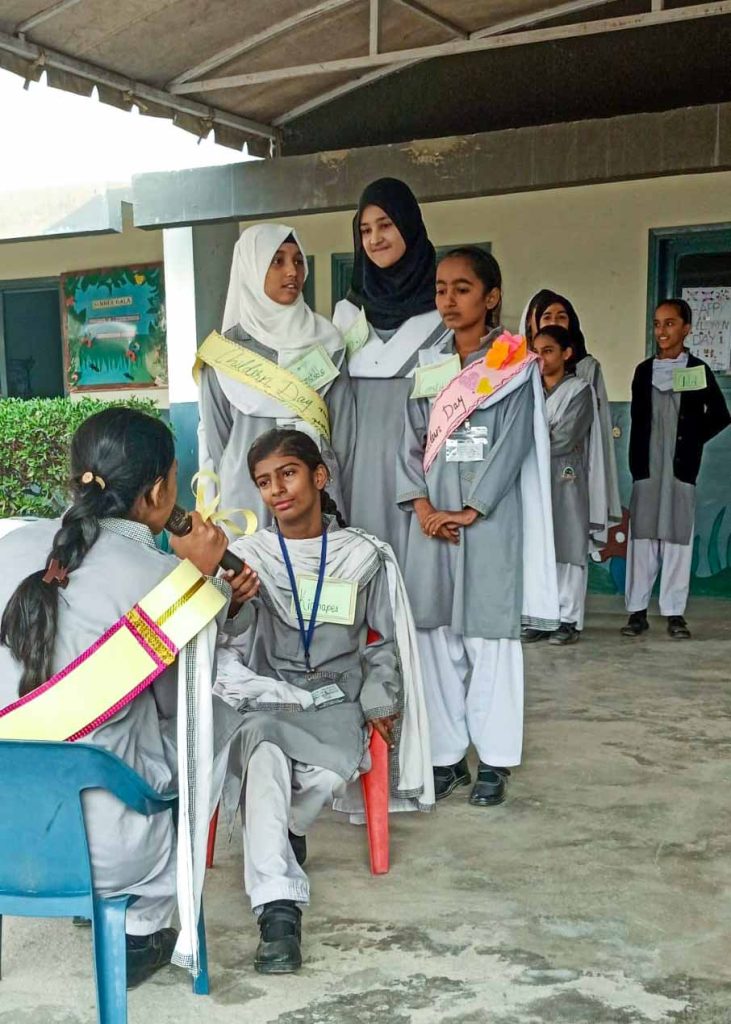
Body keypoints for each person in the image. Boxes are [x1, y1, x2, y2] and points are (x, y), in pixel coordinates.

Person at [0, 408, 238, 988]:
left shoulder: (8, 544)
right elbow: (182, 710)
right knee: (222, 720)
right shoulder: (165, 582)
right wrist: (202, 586)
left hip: (7, 827)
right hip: (105, 853)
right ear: (157, 493)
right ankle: (144, 924)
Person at [214, 428, 433, 974]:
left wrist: (381, 699)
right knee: (263, 750)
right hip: (271, 694)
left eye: (287, 474)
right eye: (264, 482)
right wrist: (235, 604)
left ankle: (283, 830)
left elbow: (382, 641)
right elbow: (230, 639)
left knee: (323, 774)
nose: (276, 491)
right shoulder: (252, 557)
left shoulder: (362, 555)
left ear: (319, 476)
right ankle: (278, 913)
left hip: (338, 695)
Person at [396, 247, 558, 808]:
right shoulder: (427, 366)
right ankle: (446, 759)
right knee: (434, 639)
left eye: (462, 288)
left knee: (491, 641)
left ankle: (493, 761)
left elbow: (514, 443)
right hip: (430, 524)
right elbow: (408, 442)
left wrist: (472, 509)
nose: (448, 299)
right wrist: (422, 507)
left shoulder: (514, 367)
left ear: (491, 297)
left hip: (487, 523)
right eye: (441, 288)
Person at [198, 223, 356, 530]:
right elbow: (219, 444)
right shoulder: (222, 354)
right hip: (247, 503)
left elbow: (343, 436)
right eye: (277, 261)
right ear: (251, 268)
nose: (292, 272)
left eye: (298, 261)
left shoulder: (328, 342)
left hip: (316, 498)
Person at [332, 177, 448, 562]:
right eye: (365, 230)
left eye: (385, 225)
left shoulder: (443, 313)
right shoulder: (346, 315)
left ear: (409, 225)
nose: (375, 239)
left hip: (422, 476)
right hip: (357, 473)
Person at [622, 299, 730, 639]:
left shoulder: (696, 370)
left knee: (677, 539)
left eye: (670, 323)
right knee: (642, 539)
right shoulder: (644, 371)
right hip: (648, 468)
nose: (662, 331)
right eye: (657, 324)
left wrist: (693, 439)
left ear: (686, 328)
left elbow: (720, 414)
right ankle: (637, 611)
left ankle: (674, 613)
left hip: (680, 469)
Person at [533, 325, 606, 645]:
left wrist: (528, 442)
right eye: (536, 352)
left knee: (568, 544)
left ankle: (568, 619)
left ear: (566, 354)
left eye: (548, 351)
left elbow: (564, 437)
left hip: (566, 477)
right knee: (537, 548)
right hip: (533, 477)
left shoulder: (580, 391)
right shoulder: (529, 391)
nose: (541, 358)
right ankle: (539, 615)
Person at [534, 291, 622, 528]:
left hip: (572, 467)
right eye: (547, 317)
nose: (554, 322)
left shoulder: (585, 374)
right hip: (536, 473)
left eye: (561, 317)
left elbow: (572, 435)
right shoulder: (526, 378)